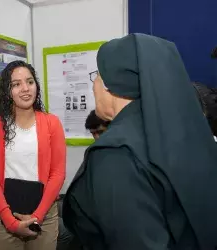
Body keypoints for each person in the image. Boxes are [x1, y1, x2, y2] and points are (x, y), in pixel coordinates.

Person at [62, 34, 217, 250]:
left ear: (111, 85)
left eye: (96, 75)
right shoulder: (186, 136)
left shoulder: (116, 155)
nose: (93, 85)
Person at [0, 60, 66, 250]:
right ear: (7, 90)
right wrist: (10, 222)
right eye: (16, 84)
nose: (25, 89)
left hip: (44, 216)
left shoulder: (52, 123)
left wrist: (38, 215)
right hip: (4, 219)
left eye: (29, 81)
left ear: (36, 85)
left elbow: (57, 173)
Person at [57, 110, 110, 250]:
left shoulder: (115, 153)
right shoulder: (95, 151)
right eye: (93, 134)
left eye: (101, 132)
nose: (97, 138)